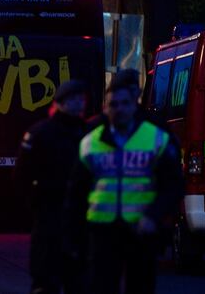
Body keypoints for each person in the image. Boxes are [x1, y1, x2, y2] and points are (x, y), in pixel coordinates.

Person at [67, 79, 184, 294]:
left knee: (139, 287)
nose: (119, 109)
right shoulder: (90, 141)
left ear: (134, 105)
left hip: (141, 230)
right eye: (113, 104)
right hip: (102, 232)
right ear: (105, 107)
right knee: (101, 287)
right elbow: (76, 192)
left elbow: (174, 185)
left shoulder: (155, 137)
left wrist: (153, 216)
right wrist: (75, 235)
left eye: (124, 103)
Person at [15, 80, 89, 293]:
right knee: (45, 279)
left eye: (80, 99)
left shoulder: (89, 134)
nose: (77, 104)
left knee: (78, 279)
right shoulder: (41, 133)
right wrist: (35, 203)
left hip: (80, 218)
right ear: (59, 103)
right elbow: (22, 175)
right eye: (72, 99)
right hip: (50, 213)